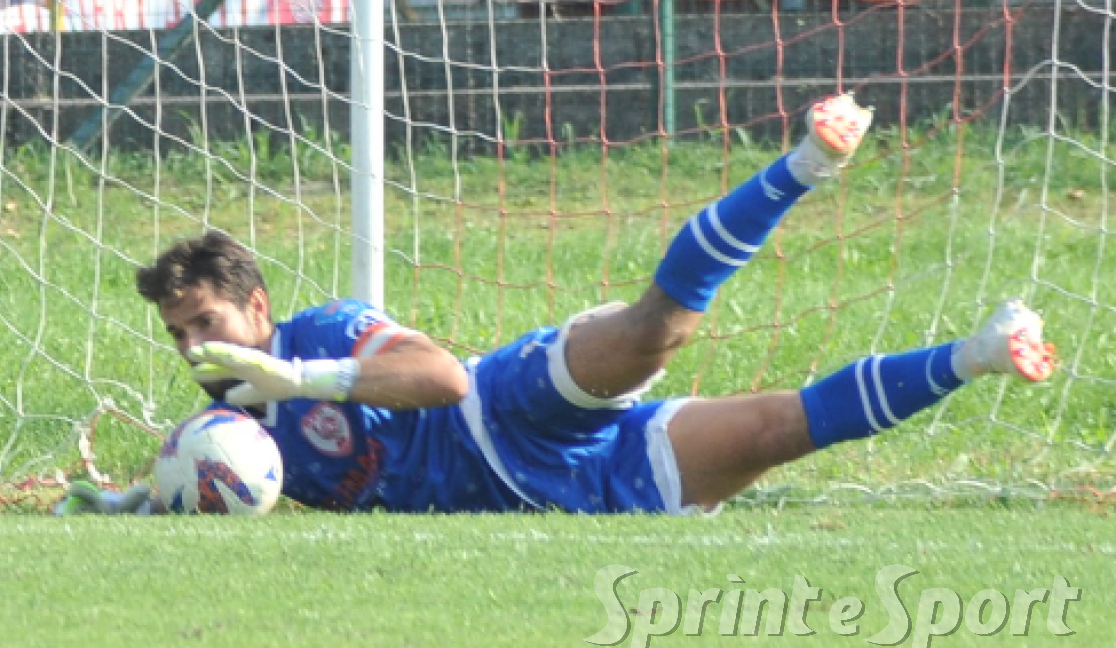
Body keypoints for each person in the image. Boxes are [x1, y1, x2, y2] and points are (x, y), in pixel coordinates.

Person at [57, 93, 1056, 516]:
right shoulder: (235, 423)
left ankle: (803, 165)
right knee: (776, 432)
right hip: (581, 488)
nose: (193, 343)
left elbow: (440, 378)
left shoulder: (315, 332)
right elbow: (208, 477)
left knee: (654, 330)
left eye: (206, 322)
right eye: (178, 332)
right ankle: (980, 351)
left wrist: (298, 374)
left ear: (256, 304)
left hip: (508, 406)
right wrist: (130, 499)